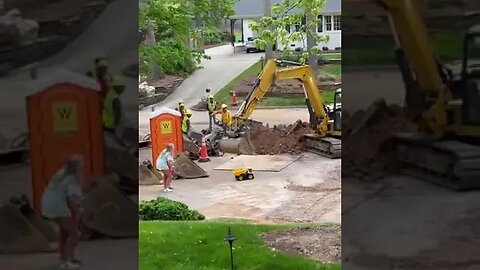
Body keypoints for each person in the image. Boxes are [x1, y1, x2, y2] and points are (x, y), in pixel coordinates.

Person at [41, 155, 83, 270]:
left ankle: (65, 258)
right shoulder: (72, 179)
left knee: (64, 232)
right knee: (74, 233)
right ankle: (65, 263)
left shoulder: (61, 173)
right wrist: (78, 212)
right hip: (57, 205)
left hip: (47, 203)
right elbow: (72, 199)